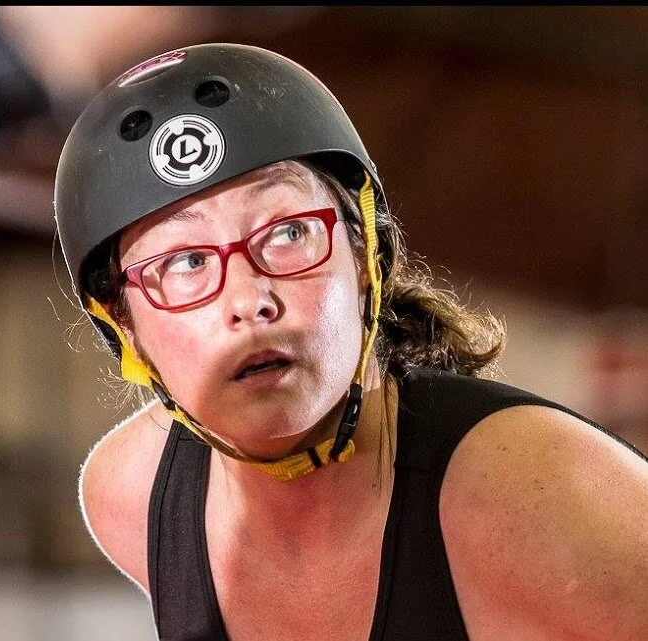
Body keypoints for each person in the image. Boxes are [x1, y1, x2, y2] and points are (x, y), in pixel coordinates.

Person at [54, 43, 648, 641]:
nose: (248, 300)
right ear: (123, 326)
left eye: (288, 232)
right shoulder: (133, 498)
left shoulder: (540, 494)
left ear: (366, 256)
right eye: (184, 263)